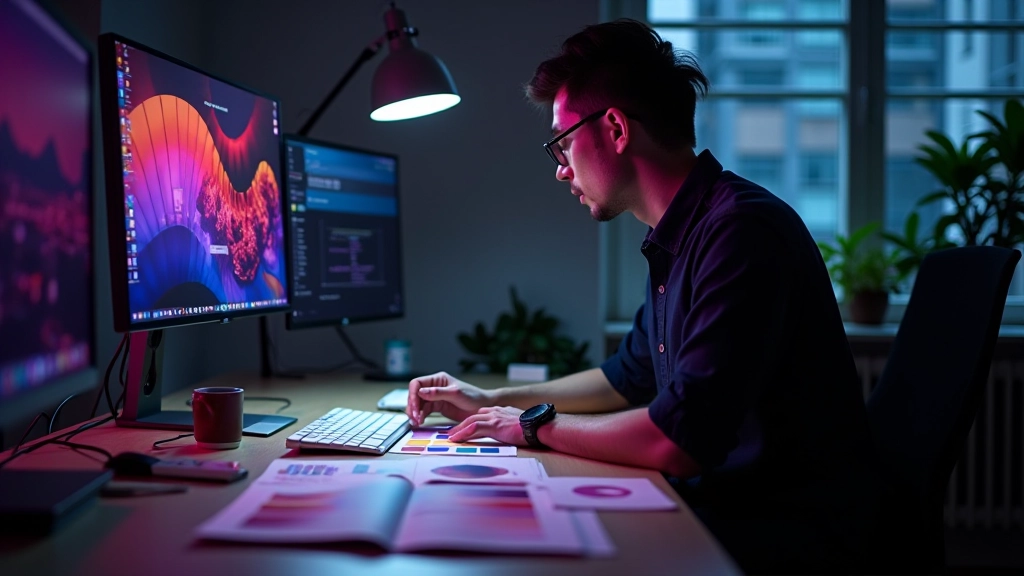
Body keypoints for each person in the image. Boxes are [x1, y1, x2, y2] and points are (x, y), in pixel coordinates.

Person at [407, 19, 878, 574]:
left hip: (785, 533)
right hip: (730, 507)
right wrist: (491, 401)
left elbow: (676, 441)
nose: (560, 171)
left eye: (562, 145)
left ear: (615, 129)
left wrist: (530, 427)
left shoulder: (741, 234)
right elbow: (623, 378)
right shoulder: (681, 235)